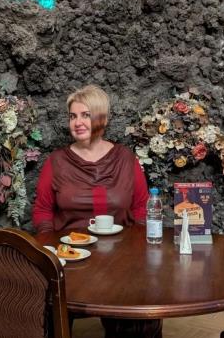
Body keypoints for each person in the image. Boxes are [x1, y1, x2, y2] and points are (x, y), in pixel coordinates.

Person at [32, 84, 148, 233]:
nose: (77, 123)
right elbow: (42, 211)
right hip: (71, 245)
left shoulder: (126, 159)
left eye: (85, 115)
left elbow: (142, 208)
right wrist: (48, 243)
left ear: (103, 119)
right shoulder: (56, 161)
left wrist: (137, 241)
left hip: (121, 245)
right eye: (73, 116)